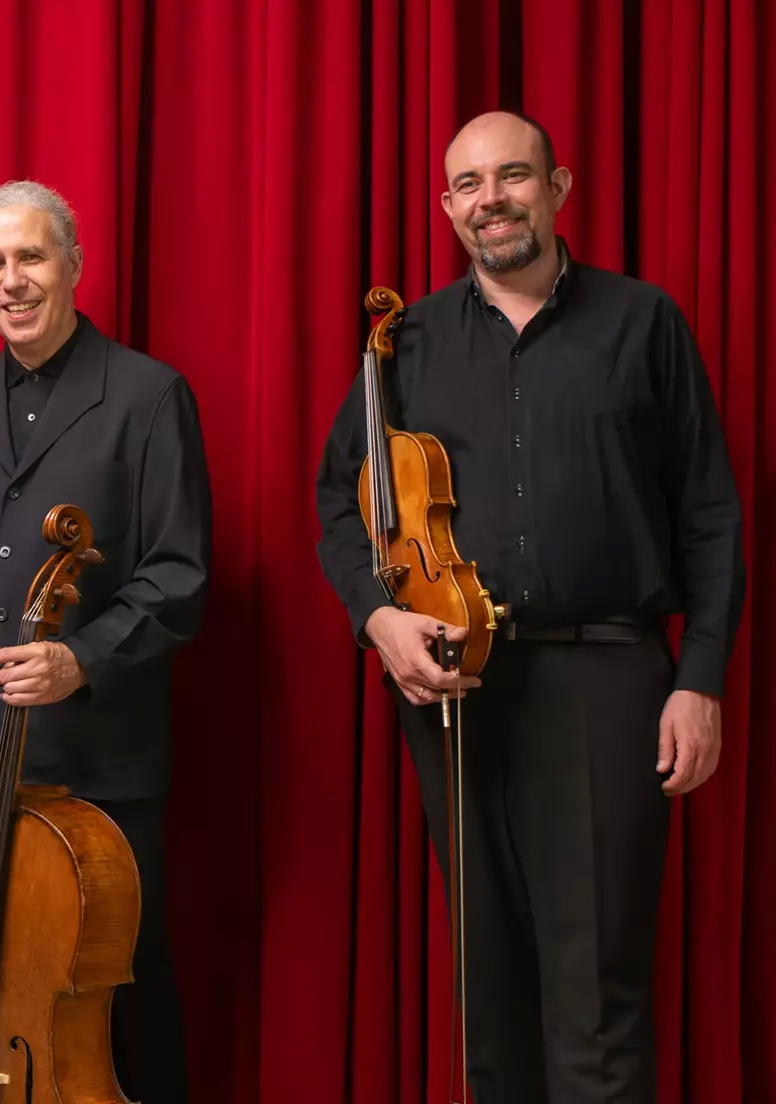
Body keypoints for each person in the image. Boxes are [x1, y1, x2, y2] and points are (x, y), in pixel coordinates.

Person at [315, 111, 744, 1103]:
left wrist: (702, 679)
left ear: (557, 189)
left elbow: (710, 512)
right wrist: (377, 618)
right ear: (447, 207)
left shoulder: (643, 322)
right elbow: (344, 498)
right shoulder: (406, 341)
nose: (491, 200)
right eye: (469, 185)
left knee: (596, 992)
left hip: (607, 678)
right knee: (488, 985)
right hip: (457, 688)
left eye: (512, 176)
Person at [0, 180, 210, 1103]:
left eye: (31, 256)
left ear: (73, 264)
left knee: (114, 1003)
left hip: (97, 761)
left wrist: (81, 659)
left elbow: (179, 575)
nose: (11, 280)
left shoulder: (148, 396)